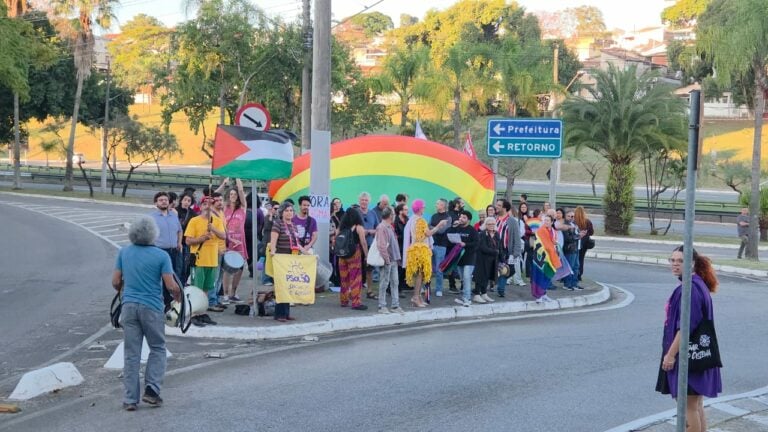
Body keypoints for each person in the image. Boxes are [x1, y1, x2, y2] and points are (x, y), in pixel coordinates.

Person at [113, 216, 180, 411]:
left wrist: (126, 288)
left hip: (129, 307)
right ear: (154, 234)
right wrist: (178, 295)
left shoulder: (124, 252)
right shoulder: (161, 256)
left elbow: (116, 282)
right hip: (151, 307)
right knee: (157, 348)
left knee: (131, 354)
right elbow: (170, 285)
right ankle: (152, 390)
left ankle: (130, 399)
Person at [656, 246, 722, 432]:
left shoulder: (690, 289)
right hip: (697, 355)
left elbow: (685, 327)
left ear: (692, 263)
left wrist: (670, 355)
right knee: (695, 406)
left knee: (687, 408)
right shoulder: (696, 284)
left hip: (689, 357)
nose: (675, 265)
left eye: (680, 261)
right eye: (673, 260)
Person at [185, 195, 226, 324]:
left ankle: (202, 312)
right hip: (198, 259)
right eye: (205, 204)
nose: (208, 206)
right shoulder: (194, 221)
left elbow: (224, 236)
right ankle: (193, 314)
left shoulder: (217, 221)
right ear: (201, 206)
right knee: (197, 287)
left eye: (211, 204)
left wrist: (213, 228)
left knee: (207, 288)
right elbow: (188, 240)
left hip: (212, 259)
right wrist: (201, 239)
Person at [402, 199, 447, 307]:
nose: (424, 208)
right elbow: (427, 234)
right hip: (420, 250)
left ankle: (418, 297)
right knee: (419, 274)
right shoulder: (420, 220)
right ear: (420, 208)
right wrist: (439, 225)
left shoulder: (412, 219)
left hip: (415, 249)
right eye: (423, 207)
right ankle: (416, 297)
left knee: (420, 274)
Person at [269, 202, 301, 322]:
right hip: (281, 260)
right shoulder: (278, 224)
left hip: (291, 260)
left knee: (288, 287)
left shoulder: (294, 226)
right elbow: (273, 240)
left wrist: (308, 254)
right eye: (287, 211)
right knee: (281, 287)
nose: (289, 213)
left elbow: (297, 243)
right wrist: (273, 252)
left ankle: (286, 313)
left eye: (291, 211)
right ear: (282, 212)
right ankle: (279, 314)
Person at [336, 207, 369, 310]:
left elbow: (336, 240)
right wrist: (367, 255)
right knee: (355, 279)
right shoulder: (359, 227)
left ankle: (344, 300)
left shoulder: (340, 227)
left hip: (342, 255)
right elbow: (363, 242)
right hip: (354, 254)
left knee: (344, 278)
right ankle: (356, 302)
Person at [221, 179, 248, 304]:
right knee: (227, 268)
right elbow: (213, 196)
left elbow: (242, 191)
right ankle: (225, 293)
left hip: (240, 242)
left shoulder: (242, 208)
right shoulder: (224, 208)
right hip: (228, 242)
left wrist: (238, 178)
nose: (233, 196)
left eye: (235, 194)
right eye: (231, 194)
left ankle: (234, 292)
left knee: (239, 268)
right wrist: (223, 185)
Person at [151, 192, 183, 282]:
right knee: (160, 277)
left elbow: (179, 230)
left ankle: (170, 295)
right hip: (159, 251)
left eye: (166, 200)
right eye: (161, 200)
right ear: (156, 203)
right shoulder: (151, 217)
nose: (164, 202)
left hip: (174, 252)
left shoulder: (173, 215)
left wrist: (179, 243)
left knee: (173, 276)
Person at [375, 207, 402, 313]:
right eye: (394, 214)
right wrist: (387, 260)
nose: (394, 216)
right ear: (390, 215)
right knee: (384, 282)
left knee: (395, 282)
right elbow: (381, 245)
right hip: (388, 260)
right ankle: (382, 306)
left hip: (392, 260)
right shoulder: (382, 227)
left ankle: (395, 305)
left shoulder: (389, 226)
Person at [449, 210, 478, 307]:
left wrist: (465, 244)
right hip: (459, 258)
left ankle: (467, 298)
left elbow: (476, 244)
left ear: (468, 220)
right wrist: (453, 226)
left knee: (466, 277)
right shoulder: (457, 228)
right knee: (462, 279)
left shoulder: (472, 230)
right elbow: (449, 235)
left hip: (469, 258)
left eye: (464, 217)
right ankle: (464, 296)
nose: (461, 219)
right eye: (460, 217)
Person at [473, 216, 503, 304]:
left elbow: (499, 246)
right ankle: (476, 294)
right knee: (480, 276)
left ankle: (484, 293)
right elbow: (482, 247)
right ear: (485, 225)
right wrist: (495, 252)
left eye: (493, 224)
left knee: (487, 277)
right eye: (489, 224)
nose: (491, 225)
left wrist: (502, 258)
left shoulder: (496, 234)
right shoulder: (482, 234)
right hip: (482, 259)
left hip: (492, 259)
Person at [358, 192, 381, 298]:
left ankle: (370, 291)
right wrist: (362, 232)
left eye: (366, 200)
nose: (364, 202)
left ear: (369, 201)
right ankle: (355, 292)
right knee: (356, 269)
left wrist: (370, 231)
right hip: (356, 245)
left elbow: (378, 228)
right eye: (362, 200)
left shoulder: (372, 213)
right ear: (359, 201)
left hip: (370, 245)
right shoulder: (355, 212)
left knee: (369, 269)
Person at [530, 214, 557, 303]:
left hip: (550, 256)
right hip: (541, 257)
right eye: (545, 220)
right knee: (539, 275)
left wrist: (554, 245)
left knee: (547, 275)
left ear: (552, 222)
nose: (546, 222)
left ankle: (544, 294)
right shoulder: (541, 230)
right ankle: (538, 295)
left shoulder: (553, 231)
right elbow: (539, 243)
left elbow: (553, 242)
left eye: (548, 220)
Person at [429, 198, 452, 297]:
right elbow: (427, 227)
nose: (436, 205)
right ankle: (426, 288)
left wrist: (433, 228)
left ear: (443, 205)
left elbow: (442, 231)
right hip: (431, 244)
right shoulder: (433, 216)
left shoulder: (448, 217)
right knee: (428, 268)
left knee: (439, 269)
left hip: (441, 245)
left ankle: (439, 289)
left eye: (438, 204)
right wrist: (436, 228)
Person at [176, 193, 197, 286]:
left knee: (186, 265)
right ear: (181, 200)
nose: (186, 202)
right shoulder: (175, 211)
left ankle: (183, 283)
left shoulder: (193, 213)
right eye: (185, 200)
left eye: (189, 201)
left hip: (187, 242)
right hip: (176, 242)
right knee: (178, 265)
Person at [561, 209, 582, 291]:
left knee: (576, 267)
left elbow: (576, 235)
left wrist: (580, 234)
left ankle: (574, 284)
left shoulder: (575, 225)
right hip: (569, 249)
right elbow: (567, 238)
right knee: (570, 267)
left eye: (572, 216)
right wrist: (578, 236)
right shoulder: (565, 226)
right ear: (565, 217)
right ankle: (567, 284)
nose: (571, 218)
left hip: (576, 248)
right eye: (568, 216)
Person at [574, 206, 594, 281]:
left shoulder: (574, 221)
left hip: (574, 242)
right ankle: (579, 274)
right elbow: (591, 232)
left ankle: (572, 274)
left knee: (573, 259)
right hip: (584, 243)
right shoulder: (587, 221)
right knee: (581, 259)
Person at [394, 203, 410, 293]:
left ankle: (401, 286)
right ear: (400, 211)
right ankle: (395, 288)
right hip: (398, 247)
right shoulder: (395, 220)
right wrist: (404, 236)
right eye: (405, 209)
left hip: (406, 248)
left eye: (407, 209)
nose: (407, 211)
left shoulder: (407, 220)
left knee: (404, 268)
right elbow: (395, 235)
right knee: (398, 269)